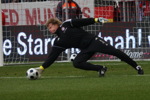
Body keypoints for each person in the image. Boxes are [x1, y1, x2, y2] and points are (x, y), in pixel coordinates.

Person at [35, 17, 144, 77]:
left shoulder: (66, 24)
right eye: (48, 28)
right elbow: (52, 57)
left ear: (56, 24)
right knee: (76, 63)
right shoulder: (58, 42)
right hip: (85, 49)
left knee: (115, 52)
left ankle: (136, 66)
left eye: (50, 26)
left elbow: (82, 22)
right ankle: (100, 68)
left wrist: (96, 20)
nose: (50, 29)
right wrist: (41, 68)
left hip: (93, 41)